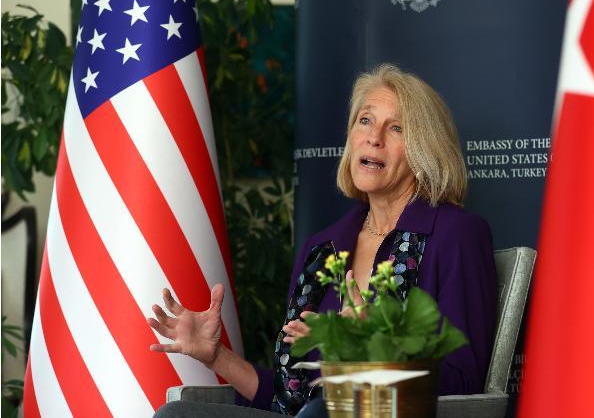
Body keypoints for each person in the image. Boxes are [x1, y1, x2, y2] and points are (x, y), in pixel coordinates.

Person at [152, 64, 497, 417]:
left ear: (425, 147)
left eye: (396, 128)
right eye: (365, 120)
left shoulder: (456, 234)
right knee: (175, 415)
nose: (374, 137)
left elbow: (464, 382)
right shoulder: (324, 247)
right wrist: (216, 356)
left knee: (326, 409)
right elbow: (289, 395)